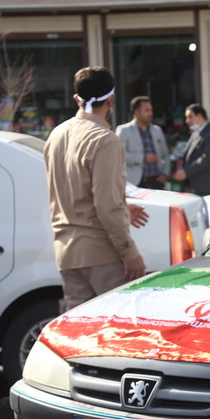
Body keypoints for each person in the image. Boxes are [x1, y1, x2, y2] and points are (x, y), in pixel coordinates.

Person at [44, 66, 148, 312]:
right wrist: (129, 252)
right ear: (111, 100)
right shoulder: (104, 139)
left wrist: (122, 208)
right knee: (115, 336)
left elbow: (71, 194)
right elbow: (106, 205)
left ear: (76, 99)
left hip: (67, 253)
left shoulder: (56, 134)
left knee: (80, 339)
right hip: (102, 254)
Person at [116, 96, 170, 189]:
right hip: (134, 183)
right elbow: (119, 155)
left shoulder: (157, 130)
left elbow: (165, 154)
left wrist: (164, 174)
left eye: (151, 110)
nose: (150, 113)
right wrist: (143, 158)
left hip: (157, 182)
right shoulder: (124, 130)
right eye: (147, 110)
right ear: (136, 112)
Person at [172, 104, 210, 196]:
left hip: (209, 186)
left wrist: (186, 172)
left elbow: (206, 158)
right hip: (197, 185)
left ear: (200, 116)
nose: (187, 121)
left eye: (190, 117)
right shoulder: (197, 131)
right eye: (187, 117)